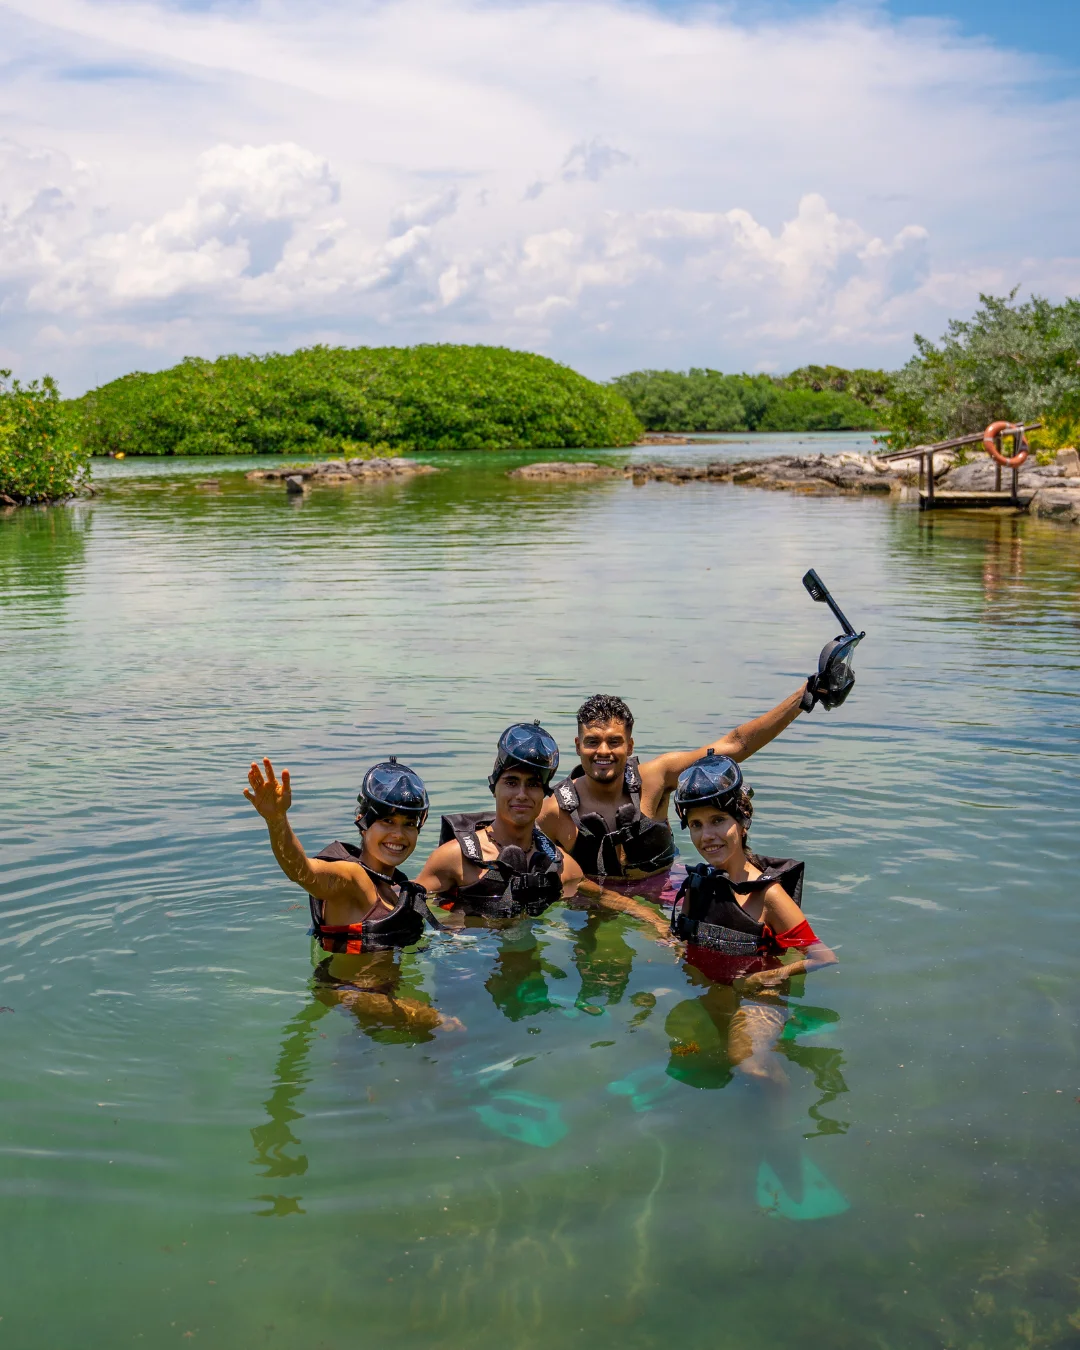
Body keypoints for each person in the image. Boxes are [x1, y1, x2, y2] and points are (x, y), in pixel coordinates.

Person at [537, 681, 819, 903]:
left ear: (630, 746)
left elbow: (735, 745)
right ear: (577, 745)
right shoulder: (554, 810)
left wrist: (806, 695)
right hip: (594, 904)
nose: (603, 751)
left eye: (614, 741)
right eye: (592, 742)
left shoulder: (657, 778)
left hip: (664, 888)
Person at [244, 755, 457, 1034]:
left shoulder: (392, 886)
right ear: (363, 821)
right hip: (352, 995)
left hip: (373, 1000)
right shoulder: (352, 878)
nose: (398, 834)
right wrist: (276, 820)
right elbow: (302, 871)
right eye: (387, 821)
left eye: (408, 823)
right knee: (451, 1029)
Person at [667, 749, 837, 1081]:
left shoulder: (768, 895)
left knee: (748, 1063)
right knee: (679, 1049)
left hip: (759, 996)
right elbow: (683, 941)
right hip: (710, 989)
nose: (707, 836)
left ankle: (782, 1109)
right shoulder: (697, 886)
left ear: (742, 822)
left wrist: (765, 978)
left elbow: (824, 956)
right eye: (697, 825)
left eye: (718, 820)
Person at [416, 722, 584, 919]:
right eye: (511, 782)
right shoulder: (454, 858)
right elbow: (407, 907)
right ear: (494, 788)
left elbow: (596, 900)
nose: (521, 795)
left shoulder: (562, 867)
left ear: (544, 794)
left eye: (533, 784)